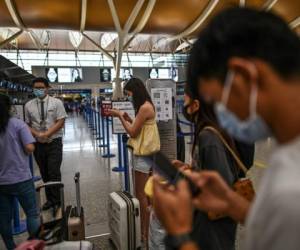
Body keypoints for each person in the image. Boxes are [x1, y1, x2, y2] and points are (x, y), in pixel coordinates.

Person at [153, 7, 300, 250]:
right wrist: (233, 204)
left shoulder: (289, 193)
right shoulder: (288, 154)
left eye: (217, 100)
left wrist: (179, 234)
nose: (220, 113)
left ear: (243, 76)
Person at [109, 78, 160, 244]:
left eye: (129, 94)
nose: (129, 97)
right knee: (148, 194)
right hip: (149, 155)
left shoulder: (144, 108)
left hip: (143, 156)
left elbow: (132, 133)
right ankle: (148, 230)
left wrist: (119, 117)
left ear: (135, 92)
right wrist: (129, 119)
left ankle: (144, 233)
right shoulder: (147, 105)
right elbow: (140, 128)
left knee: (141, 195)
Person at [0, 94, 40, 250]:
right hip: (21, 177)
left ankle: (10, 247)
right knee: (32, 213)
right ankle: (34, 245)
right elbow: (30, 148)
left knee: (3, 217)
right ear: (9, 107)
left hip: (1, 182)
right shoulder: (17, 124)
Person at [25, 77, 67, 214]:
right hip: (38, 144)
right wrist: (37, 134)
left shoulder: (56, 103)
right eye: (36, 88)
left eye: (41, 87)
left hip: (54, 142)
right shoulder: (29, 105)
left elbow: (61, 121)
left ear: (47, 88)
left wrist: (47, 133)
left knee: (53, 171)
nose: (38, 90)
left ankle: (58, 201)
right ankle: (50, 200)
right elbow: (27, 124)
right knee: (44, 172)